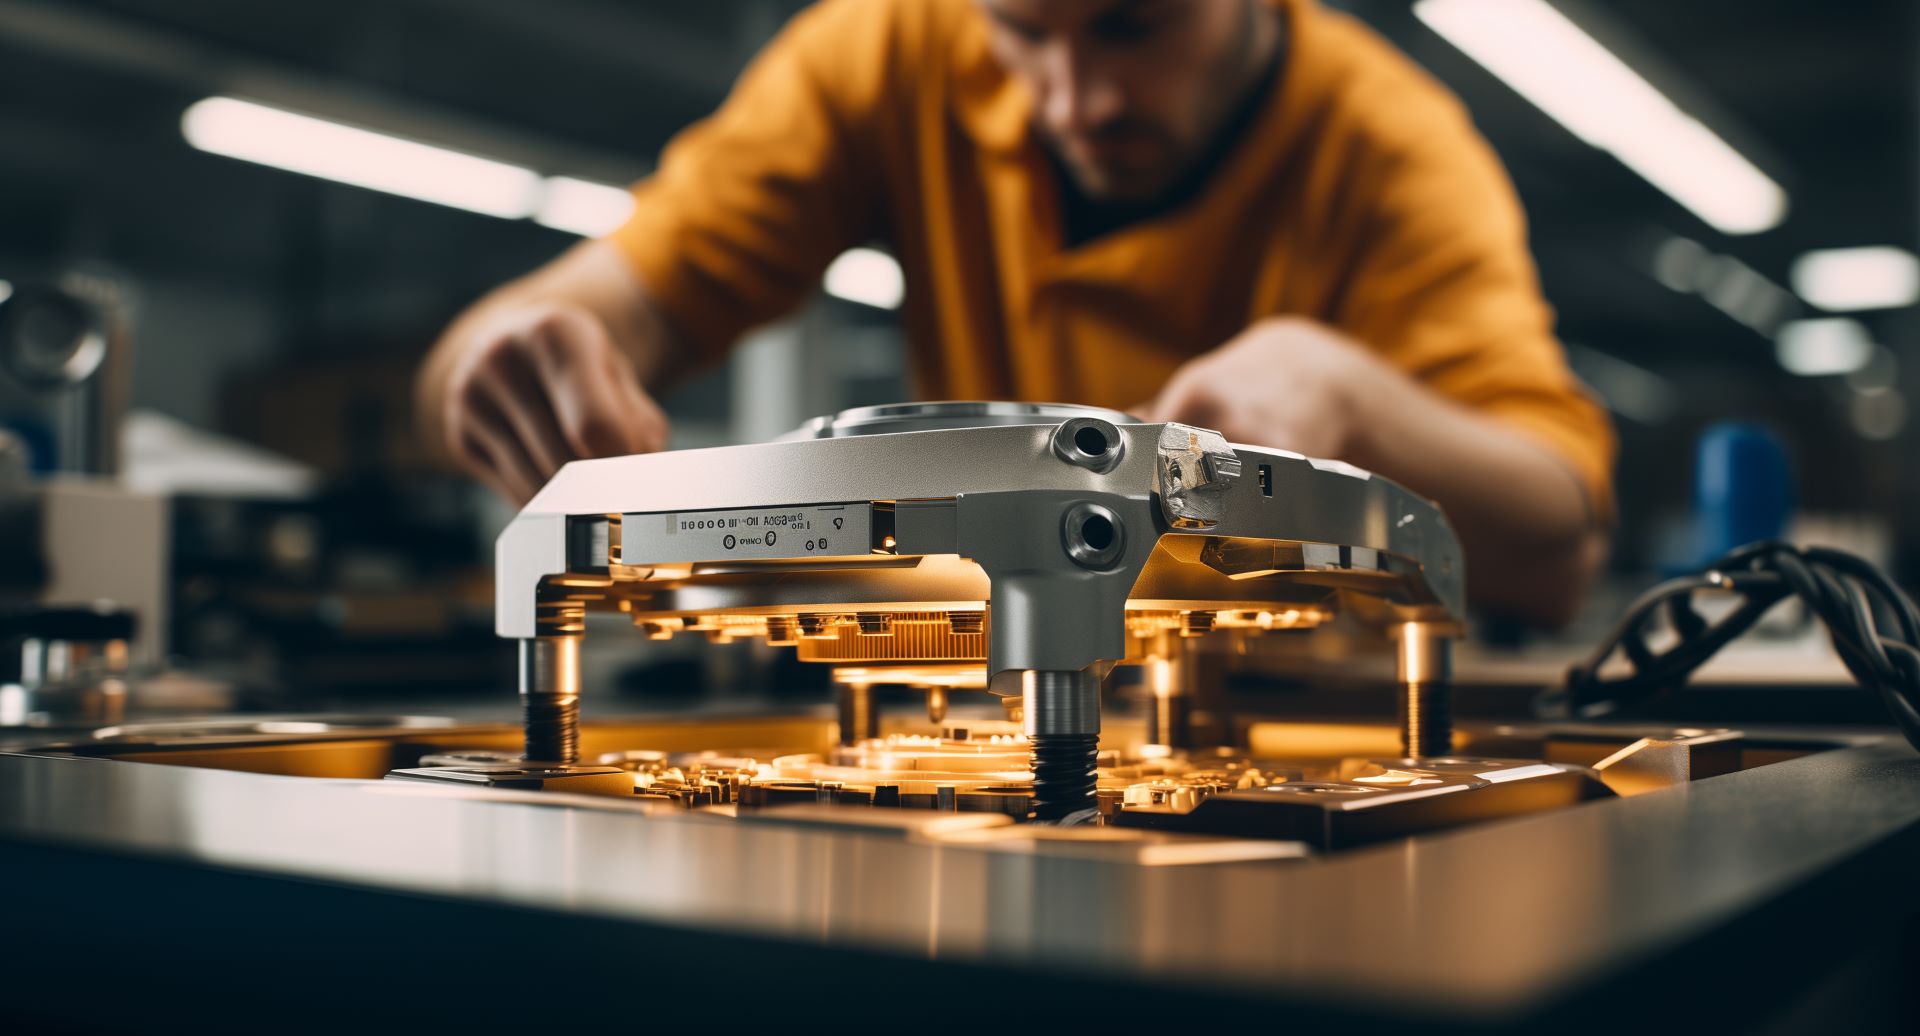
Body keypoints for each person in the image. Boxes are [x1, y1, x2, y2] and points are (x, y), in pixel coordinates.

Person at [417, 0, 1615, 627]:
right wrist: (507, 352)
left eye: (1134, 24)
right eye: (1020, 31)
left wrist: (1353, 399)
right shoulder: (883, 47)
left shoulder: (1390, 143)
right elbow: (594, 306)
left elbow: (1557, 545)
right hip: (975, 697)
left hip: (1305, 732)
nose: (1076, 102)